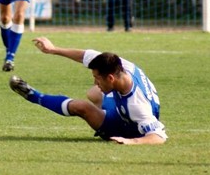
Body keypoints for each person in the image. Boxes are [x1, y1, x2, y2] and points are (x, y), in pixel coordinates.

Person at [8, 36, 166, 145]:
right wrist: (53, 49)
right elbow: (85, 55)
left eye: (98, 78)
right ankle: (102, 111)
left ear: (110, 78)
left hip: (126, 128)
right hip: (122, 111)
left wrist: (131, 141)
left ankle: (33, 96)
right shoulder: (123, 66)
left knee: (82, 107)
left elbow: (159, 137)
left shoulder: (137, 106)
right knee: (94, 92)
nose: (95, 80)